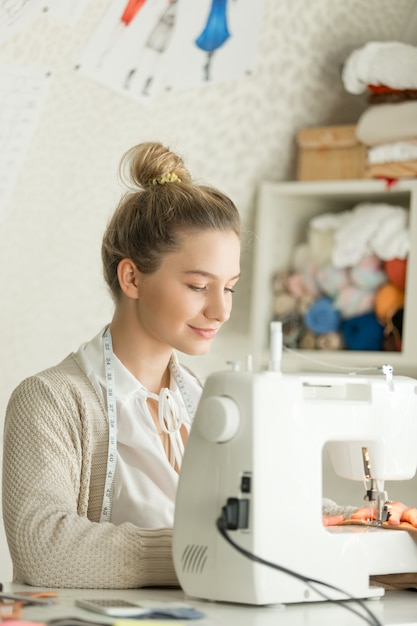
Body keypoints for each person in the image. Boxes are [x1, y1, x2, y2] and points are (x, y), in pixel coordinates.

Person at [3, 141, 417, 590]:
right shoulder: (50, 401)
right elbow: (45, 549)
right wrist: (218, 550)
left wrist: (356, 525)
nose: (221, 311)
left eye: (231, 287)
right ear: (132, 277)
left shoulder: (205, 400)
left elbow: (266, 507)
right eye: (200, 285)